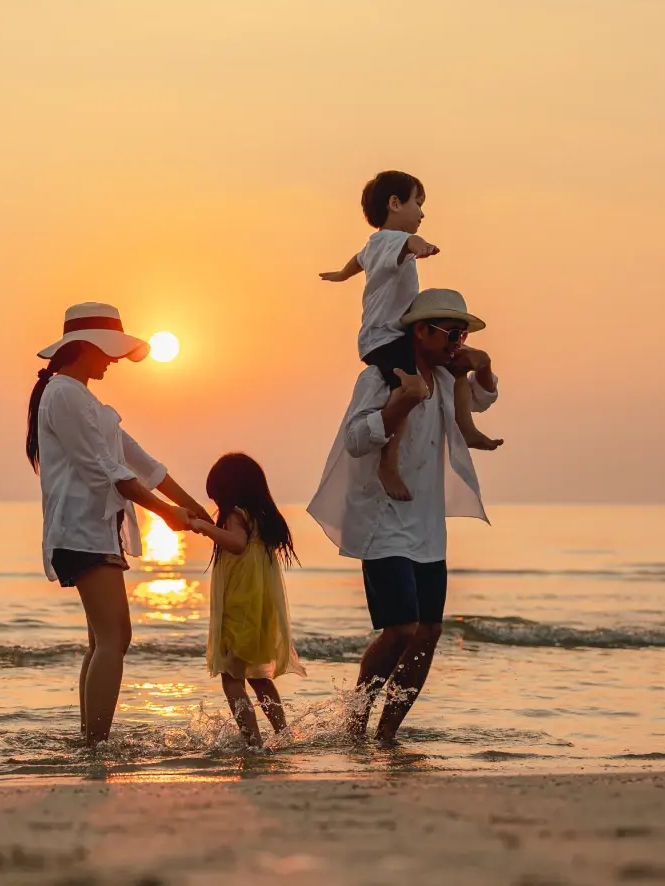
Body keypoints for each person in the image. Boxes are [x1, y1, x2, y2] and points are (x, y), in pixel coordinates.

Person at [307, 288, 500, 745]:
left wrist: (484, 362)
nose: (458, 341)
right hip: (383, 520)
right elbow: (356, 439)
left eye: (463, 332)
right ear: (421, 330)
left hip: (429, 526)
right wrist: (400, 402)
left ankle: (387, 735)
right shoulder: (381, 377)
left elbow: (482, 399)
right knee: (400, 629)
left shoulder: (445, 377)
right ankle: (356, 723)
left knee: (429, 632)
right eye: (451, 332)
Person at [27, 302, 211, 744]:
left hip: (96, 529)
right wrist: (166, 514)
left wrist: (197, 508)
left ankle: (90, 740)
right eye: (108, 350)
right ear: (85, 347)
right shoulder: (65, 394)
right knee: (115, 638)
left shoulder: (86, 400)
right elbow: (105, 470)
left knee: (105, 640)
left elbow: (142, 463)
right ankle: (95, 744)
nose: (113, 360)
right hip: (81, 531)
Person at [320, 170, 502, 501]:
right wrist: (423, 247)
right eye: (417, 202)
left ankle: (468, 429)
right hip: (385, 338)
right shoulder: (391, 241)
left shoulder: (373, 247)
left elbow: (356, 261)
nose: (422, 212)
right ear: (394, 204)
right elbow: (410, 243)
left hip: (392, 336)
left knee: (458, 366)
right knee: (408, 390)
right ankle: (388, 463)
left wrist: (342, 275)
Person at [187, 453, 306, 747]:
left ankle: (252, 742)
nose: (217, 506)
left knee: (231, 677)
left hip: (239, 609)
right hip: (259, 609)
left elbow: (237, 545)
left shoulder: (235, 516)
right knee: (260, 678)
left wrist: (203, 528)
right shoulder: (262, 518)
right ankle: (283, 735)